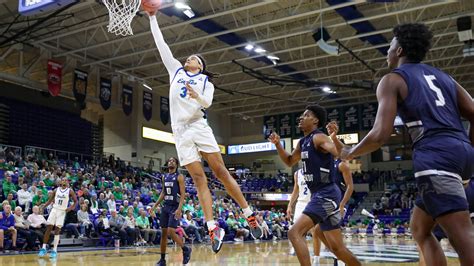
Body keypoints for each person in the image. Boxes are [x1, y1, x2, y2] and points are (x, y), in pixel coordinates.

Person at [336, 23, 474, 266]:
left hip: (434, 155)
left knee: (461, 234)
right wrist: (466, 146)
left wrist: (350, 152)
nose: (387, 52)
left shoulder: (392, 80)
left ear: (399, 50)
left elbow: (380, 134)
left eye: (389, 47)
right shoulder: (445, 77)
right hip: (462, 153)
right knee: (420, 228)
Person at [147, 11, 262, 253]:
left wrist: (196, 95)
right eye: (188, 57)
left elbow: (207, 103)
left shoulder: (205, 82)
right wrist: (152, 17)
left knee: (220, 171)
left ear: (200, 66)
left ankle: (248, 213)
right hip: (180, 131)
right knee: (199, 181)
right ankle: (212, 227)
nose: (188, 58)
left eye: (193, 58)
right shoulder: (176, 72)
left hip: (198, 125)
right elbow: (161, 46)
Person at [268, 105, 360, 266]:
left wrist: (334, 137)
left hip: (326, 193)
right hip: (322, 194)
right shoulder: (303, 142)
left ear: (315, 120)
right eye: (301, 116)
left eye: (306, 115)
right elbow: (289, 161)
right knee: (337, 249)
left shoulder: (319, 137)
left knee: (294, 232)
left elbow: (339, 153)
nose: (301, 118)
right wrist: (278, 145)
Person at [152, 157, 191, 266]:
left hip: (175, 207)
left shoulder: (179, 176)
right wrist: (155, 206)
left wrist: (179, 208)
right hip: (166, 207)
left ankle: (185, 249)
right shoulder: (164, 177)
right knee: (164, 233)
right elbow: (163, 193)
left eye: (173, 161)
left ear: (177, 164)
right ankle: (162, 260)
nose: (171, 162)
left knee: (170, 231)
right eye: (169, 161)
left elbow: (183, 194)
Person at [38, 177, 78, 259]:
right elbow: (49, 201)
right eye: (63, 180)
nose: (64, 181)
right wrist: (43, 207)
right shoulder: (56, 190)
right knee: (48, 228)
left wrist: (70, 208)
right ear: (60, 181)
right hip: (54, 209)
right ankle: (43, 248)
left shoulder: (70, 191)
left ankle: (54, 250)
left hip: (62, 211)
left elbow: (75, 201)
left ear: (67, 182)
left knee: (57, 230)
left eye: (65, 180)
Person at [287, 168, 319, 261]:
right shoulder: (297, 173)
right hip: (301, 203)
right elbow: (295, 190)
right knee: (297, 231)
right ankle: (304, 254)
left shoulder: (315, 168)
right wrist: (290, 205)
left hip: (313, 202)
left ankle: (316, 259)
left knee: (315, 232)